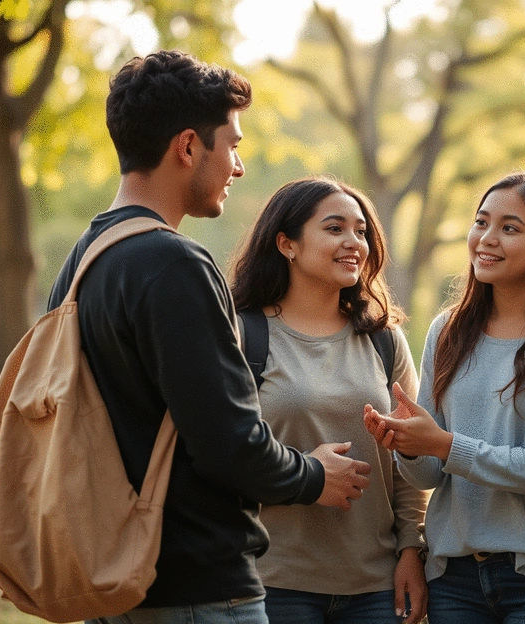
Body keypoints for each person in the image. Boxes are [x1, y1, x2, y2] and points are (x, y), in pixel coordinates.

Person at [48, 51, 372, 624]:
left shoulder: (83, 261)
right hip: (195, 588)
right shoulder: (175, 264)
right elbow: (229, 443)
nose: (238, 167)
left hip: (111, 572)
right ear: (188, 147)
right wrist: (314, 474)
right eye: (232, 145)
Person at [364, 171, 525, 623]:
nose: (487, 238)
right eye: (481, 222)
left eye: (510, 228)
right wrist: (409, 446)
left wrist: (443, 444)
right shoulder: (448, 330)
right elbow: (429, 474)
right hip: (452, 577)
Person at [228, 177, 428, 624]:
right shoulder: (242, 335)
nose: (353, 242)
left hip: (376, 587)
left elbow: (409, 461)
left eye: (361, 231)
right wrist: (307, 473)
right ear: (287, 244)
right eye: (335, 228)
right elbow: (222, 454)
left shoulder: (384, 340)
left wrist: (411, 549)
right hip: (273, 583)